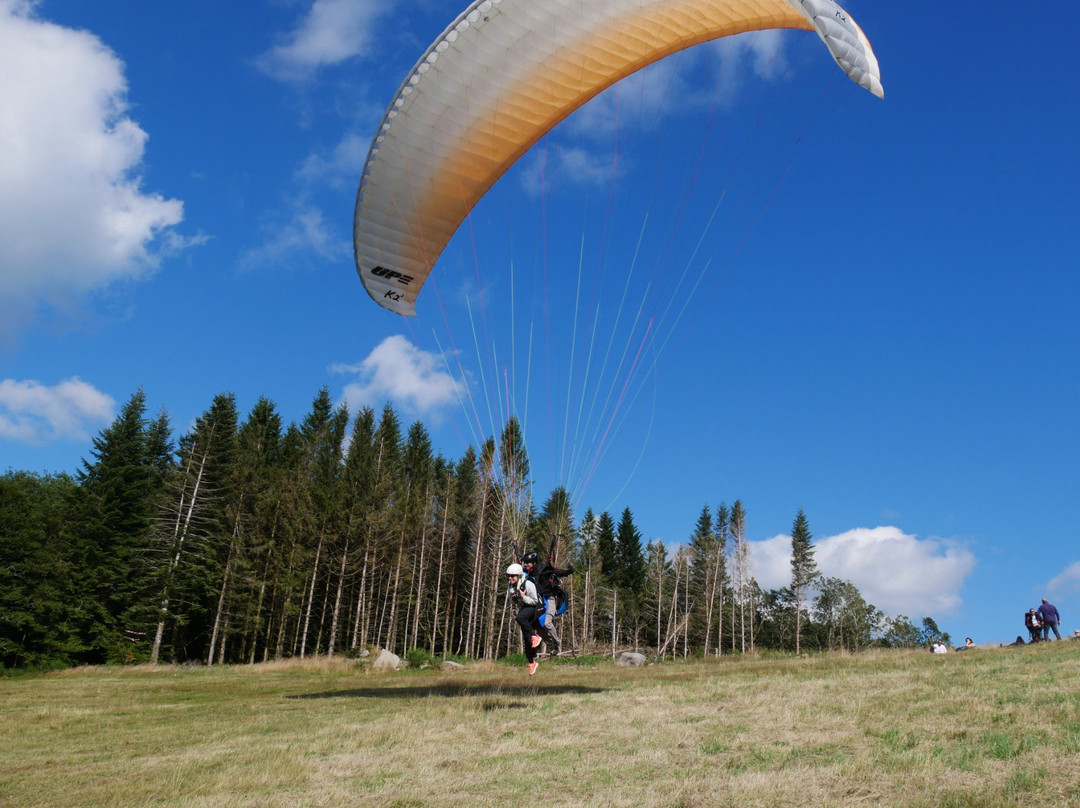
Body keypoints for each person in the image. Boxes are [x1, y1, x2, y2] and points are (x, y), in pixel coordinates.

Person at [521, 550, 573, 656]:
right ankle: (552, 644)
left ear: (534, 563)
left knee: (547, 623)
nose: (525, 564)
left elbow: (556, 571)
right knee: (538, 627)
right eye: (524, 562)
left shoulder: (543, 569)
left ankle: (557, 643)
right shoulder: (526, 573)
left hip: (550, 599)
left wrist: (568, 572)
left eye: (528, 562)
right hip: (538, 601)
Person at [506, 563, 543, 676]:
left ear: (519, 575)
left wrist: (523, 597)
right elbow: (513, 602)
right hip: (525, 609)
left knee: (519, 617)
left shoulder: (528, 584)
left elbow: (535, 601)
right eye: (509, 576)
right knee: (527, 640)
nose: (510, 578)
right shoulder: (511, 587)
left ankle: (535, 636)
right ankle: (531, 662)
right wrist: (514, 597)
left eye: (513, 576)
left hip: (535, 608)